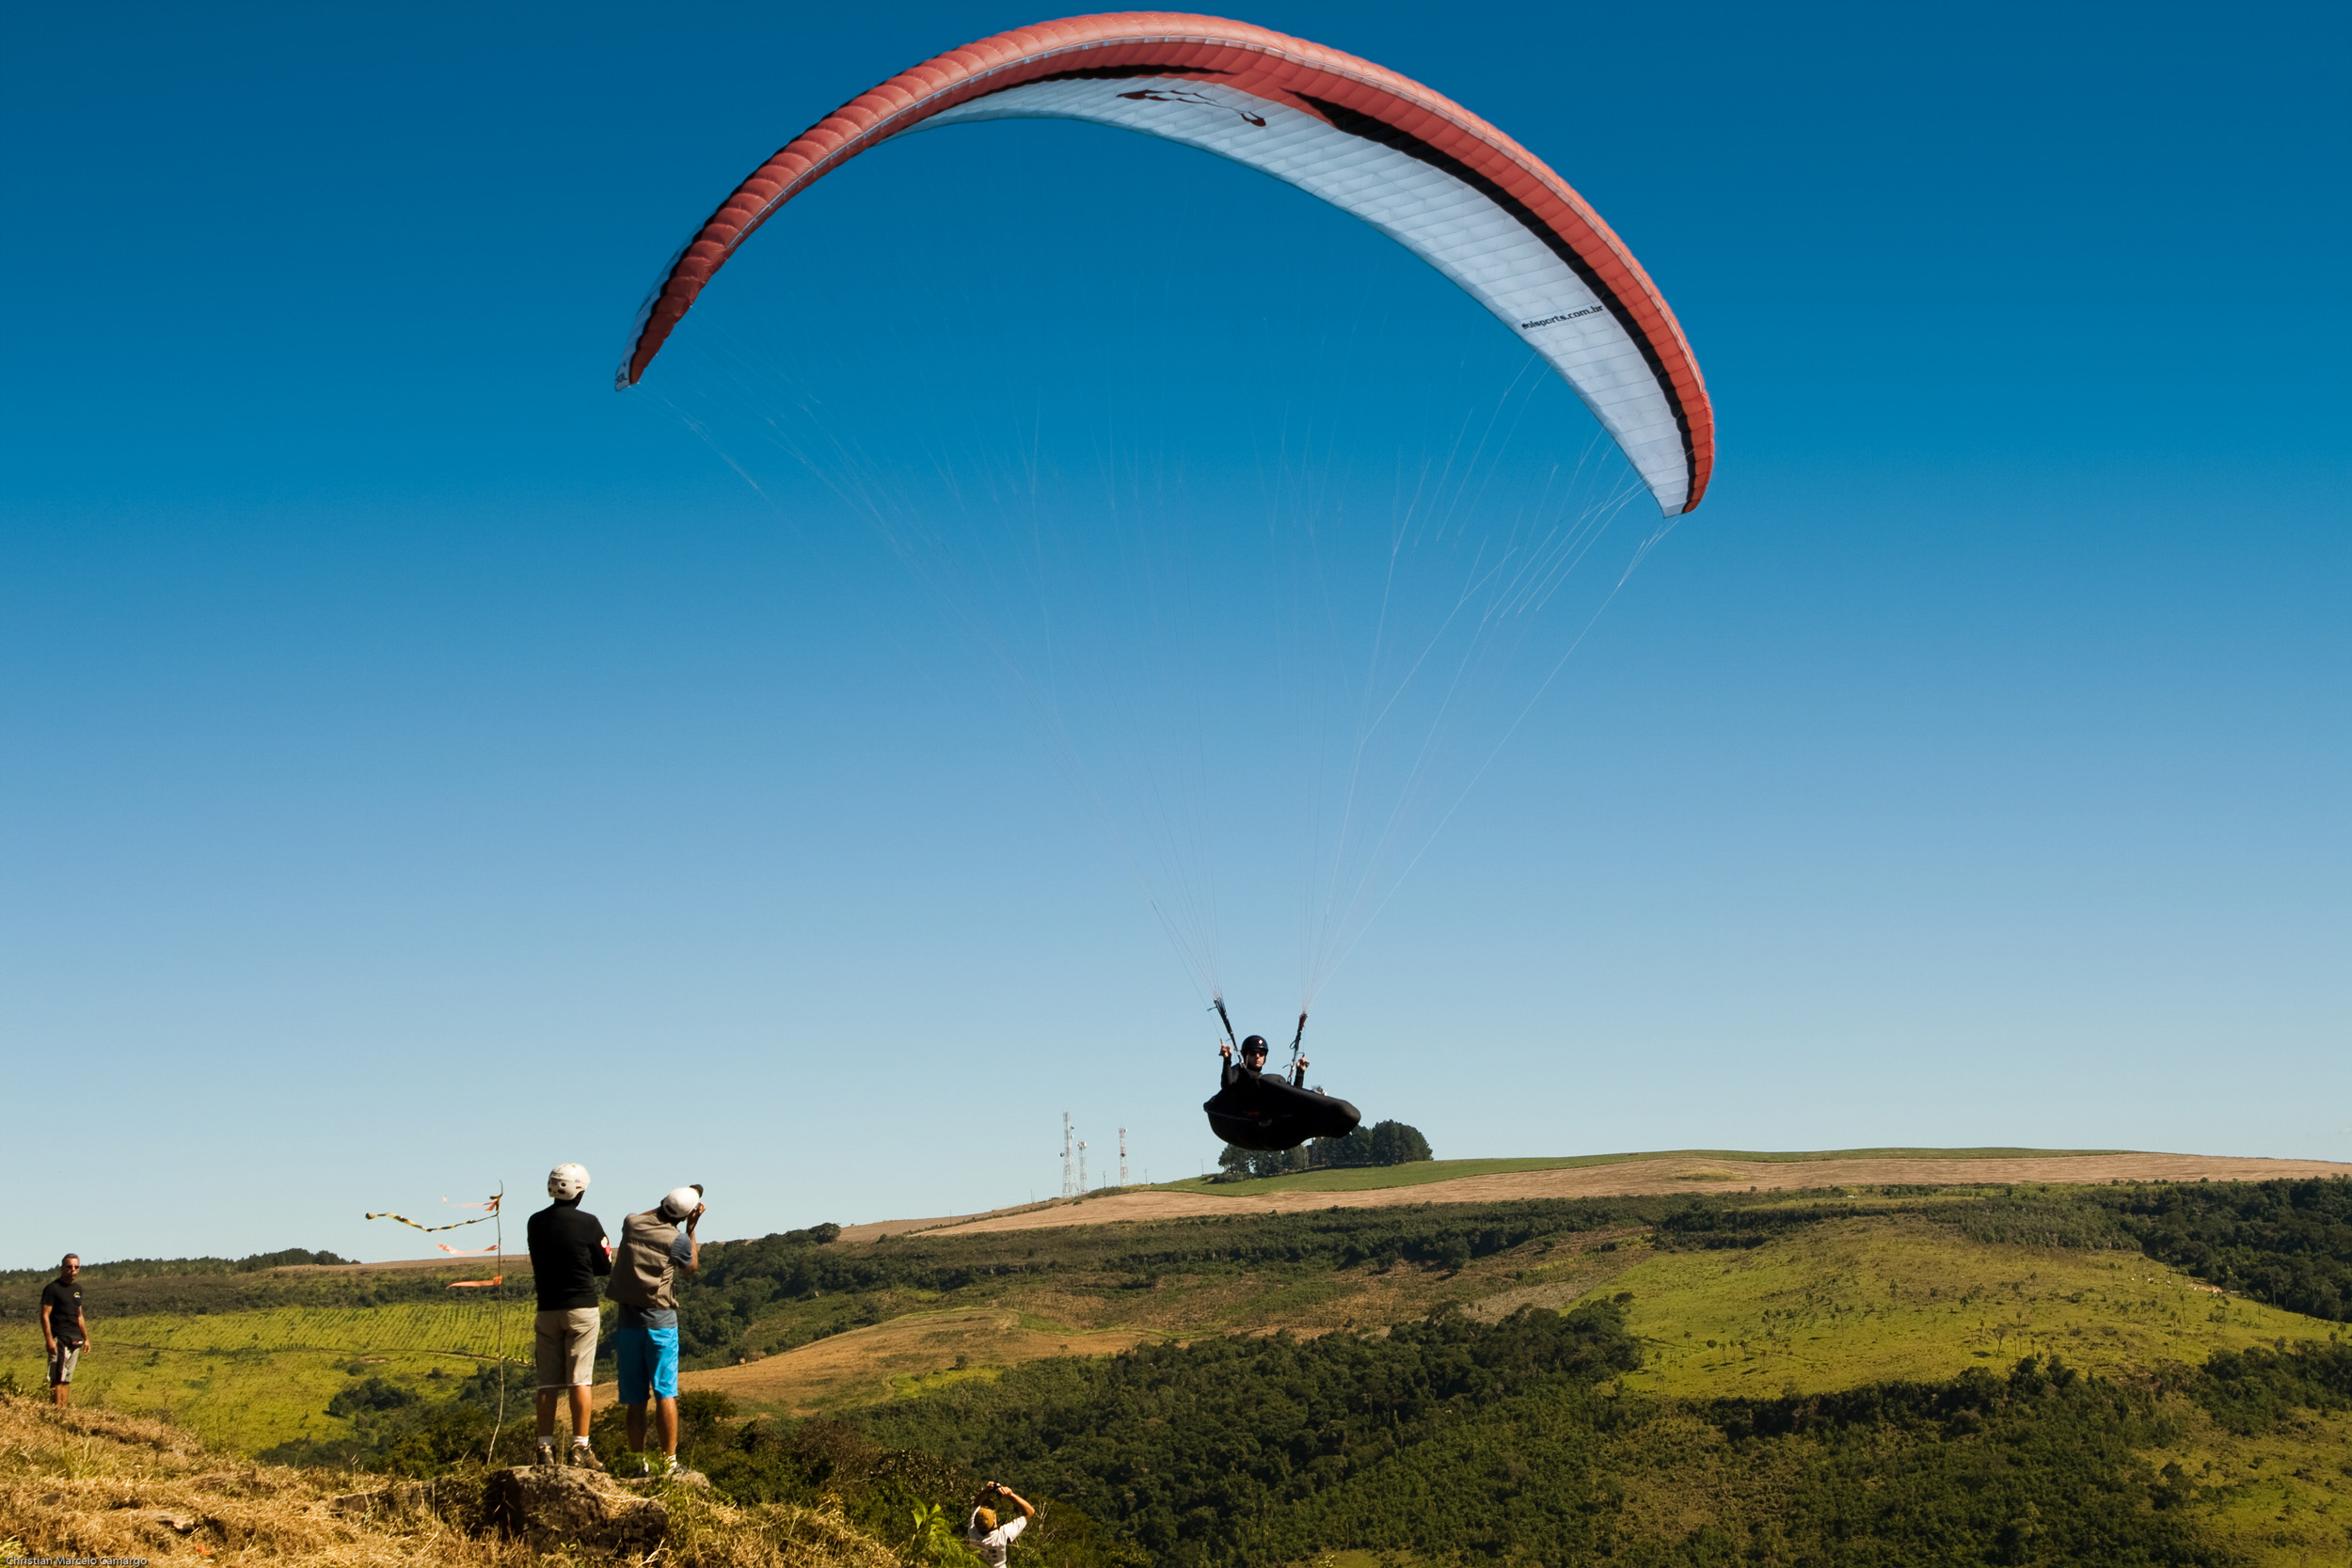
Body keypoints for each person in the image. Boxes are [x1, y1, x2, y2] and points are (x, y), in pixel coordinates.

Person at [609, 1185, 705, 1477]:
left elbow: (646, 1215)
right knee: (666, 1392)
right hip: (661, 1323)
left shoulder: (631, 1224)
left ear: (662, 1203)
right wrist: (691, 1228)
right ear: (686, 1214)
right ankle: (669, 1463)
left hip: (627, 1323)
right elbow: (690, 1269)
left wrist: (666, 1206)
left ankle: (637, 1463)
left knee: (636, 1399)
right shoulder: (678, 1241)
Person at [526, 1162, 611, 1469]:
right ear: (580, 1190)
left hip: (546, 1309)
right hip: (581, 1308)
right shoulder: (589, 1223)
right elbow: (604, 1265)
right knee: (580, 1381)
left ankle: (544, 1449)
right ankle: (580, 1448)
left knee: (547, 1383)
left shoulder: (534, 1222)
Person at [40, 1254, 89, 1408]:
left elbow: (79, 1315)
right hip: (59, 1339)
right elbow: (44, 1315)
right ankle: (56, 1411)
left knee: (67, 1378)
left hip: (75, 1339)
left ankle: (64, 1412)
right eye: (69, 1267)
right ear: (62, 1268)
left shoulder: (77, 1290)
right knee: (57, 1378)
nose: (73, 1270)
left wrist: (86, 1338)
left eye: (76, 1267)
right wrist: (49, 1340)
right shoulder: (52, 1289)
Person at [964, 1481, 1037, 1566]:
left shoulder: (973, 1533)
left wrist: (986, 1491)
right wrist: (1010, 1495)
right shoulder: (1002, 1536)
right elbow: (1030, 1512)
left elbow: (976, 1503)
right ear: (994, 1520)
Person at [1219, 1034, 1308, 1090]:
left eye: (1261, 1054)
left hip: (1266, 1116)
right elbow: (1227, 1087)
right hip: (1243, 1112)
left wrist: (1300, 1072)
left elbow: (1294, 1098)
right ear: (1245, 1055)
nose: (1257, 1056)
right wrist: (1227, 1060)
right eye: (1253, 1053)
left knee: (1278, 1080)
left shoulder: (1266, 1081)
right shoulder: (1238, 1070)